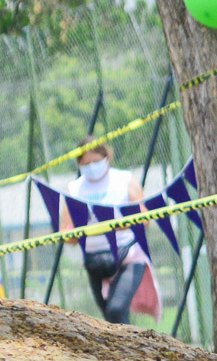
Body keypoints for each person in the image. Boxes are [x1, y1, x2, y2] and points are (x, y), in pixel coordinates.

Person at [61, 136, 159, 325]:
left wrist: (113, 225)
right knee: (110, 319)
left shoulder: (124, 180)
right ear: (79, 164)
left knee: (116, 310)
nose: (92, 166)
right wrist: (76, 232)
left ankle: (134, 344)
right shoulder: (74, 189)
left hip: (128, 256)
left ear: (106, 158)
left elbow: (144, 219)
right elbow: (66, 232)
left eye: (96, 161)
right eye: (86, 163)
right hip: (95, 261)